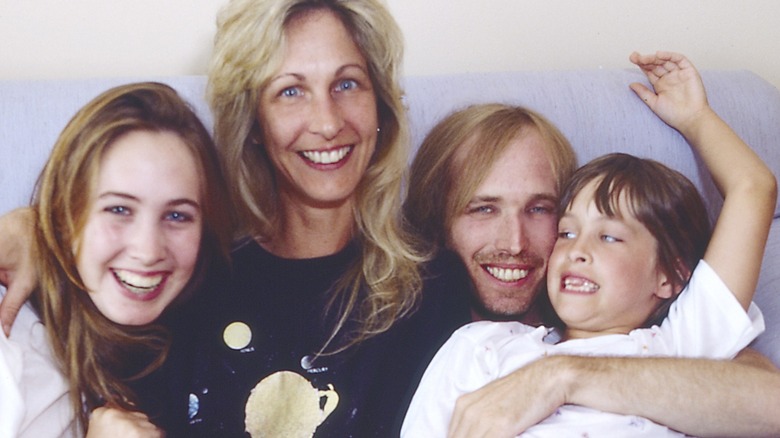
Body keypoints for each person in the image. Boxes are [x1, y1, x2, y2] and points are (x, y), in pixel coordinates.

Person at [403, 55, 780, 436]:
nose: (576, 250)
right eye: (567, 233)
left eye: (540, 209)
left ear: (670, 276)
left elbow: (754, 189)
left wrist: (697, 118)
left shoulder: (679, 342)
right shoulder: (482, 347)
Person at [25, 82, 231, 436]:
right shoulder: (17, 354)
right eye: (119, 209)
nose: (148, 251)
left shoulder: (212, 340)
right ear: (64, 216)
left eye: (178, 216)